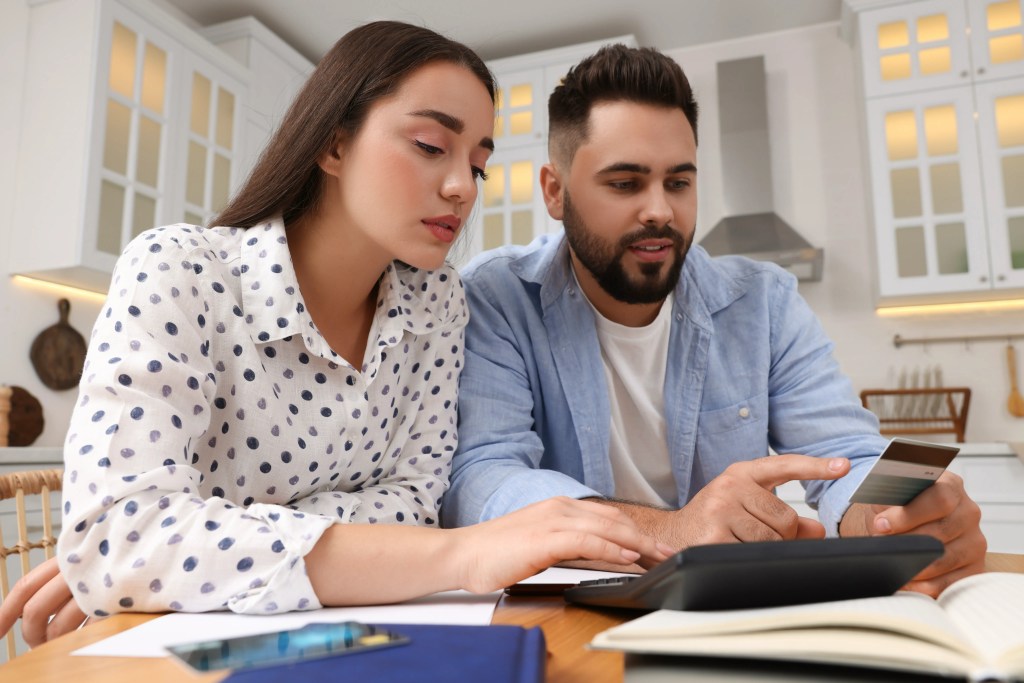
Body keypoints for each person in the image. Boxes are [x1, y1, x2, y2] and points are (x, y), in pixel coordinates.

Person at [0, 22, 669, 648]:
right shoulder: (179, 271)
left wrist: (201, 536)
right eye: (432, 147)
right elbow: (122, 537)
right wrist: (463, 551)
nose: (462, 186)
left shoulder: (435, 306)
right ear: (333, 141)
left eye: (479, 163)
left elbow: (414, 501)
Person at [442, 44, 986, 597]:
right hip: (566, 610)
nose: (659, 210)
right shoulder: (497, 297)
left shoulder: (765, 303)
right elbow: (482, 479)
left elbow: (848, 454)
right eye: (625, 183)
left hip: (728, 606)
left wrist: (890, 519)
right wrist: (671, 530)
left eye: (678, 182)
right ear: (555, 193)